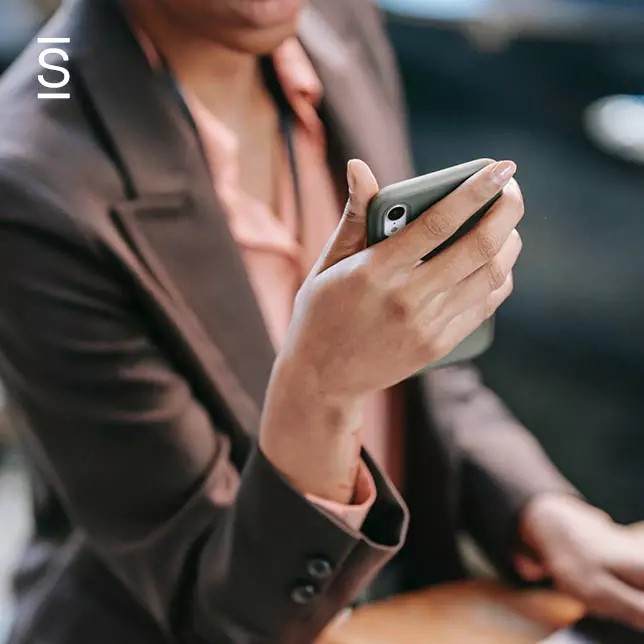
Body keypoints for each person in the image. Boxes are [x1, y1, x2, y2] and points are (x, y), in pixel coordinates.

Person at [0, 1, 643, 643]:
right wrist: (320, 388)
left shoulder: (333, 22)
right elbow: (220, 612)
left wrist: (542, 513)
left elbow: (417, 378)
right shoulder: (30, 176)